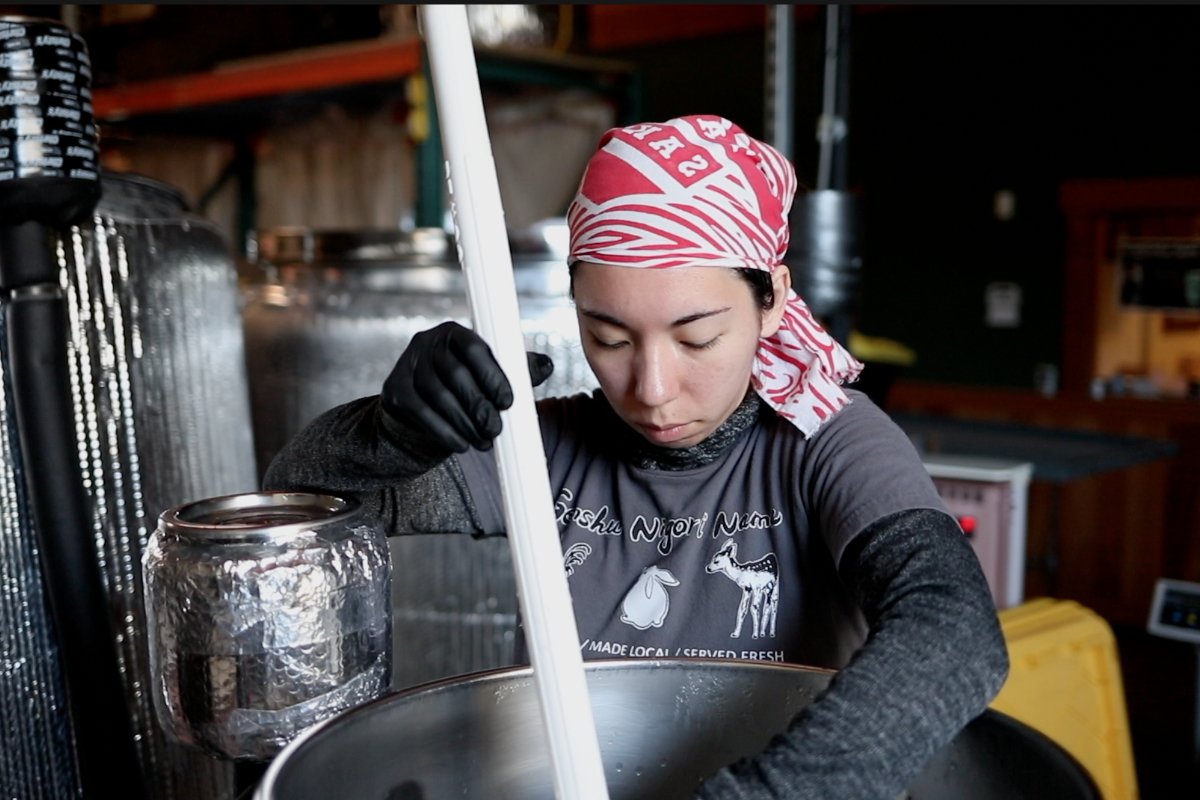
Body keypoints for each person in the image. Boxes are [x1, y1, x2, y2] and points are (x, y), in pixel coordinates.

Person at [264, 114, 1009, 799]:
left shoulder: (825, 441)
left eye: (697, 339)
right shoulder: (543, 453)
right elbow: (296, 507)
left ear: (772, 301)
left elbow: (954, 629)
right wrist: (386, 434)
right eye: (610, 338)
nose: (651, 389)